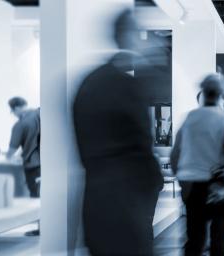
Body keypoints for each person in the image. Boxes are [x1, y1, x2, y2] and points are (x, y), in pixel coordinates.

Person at [72, 9, 164, 255]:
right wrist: (156, 181)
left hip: (94, 201)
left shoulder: (88, 82)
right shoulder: (128, 86)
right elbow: (141, 147)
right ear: (131, 36)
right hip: (127, 205)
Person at [170, 74, 224, 256]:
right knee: (219, 240)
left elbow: (175, 155)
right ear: (222, 95)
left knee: (194, 238)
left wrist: (181, 178)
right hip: (218, 187)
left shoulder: (189, 118)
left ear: (203, 93)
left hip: (191, 185)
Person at [5, 97, 41, 236]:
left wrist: (8, 158)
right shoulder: (41, 113)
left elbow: (12, 149)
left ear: (16, 108)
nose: (13, 114)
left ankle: (41, 229)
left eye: (12, 111)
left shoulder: (20, 124)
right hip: (51, 162)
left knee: (36, 197)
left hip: (33, 165)